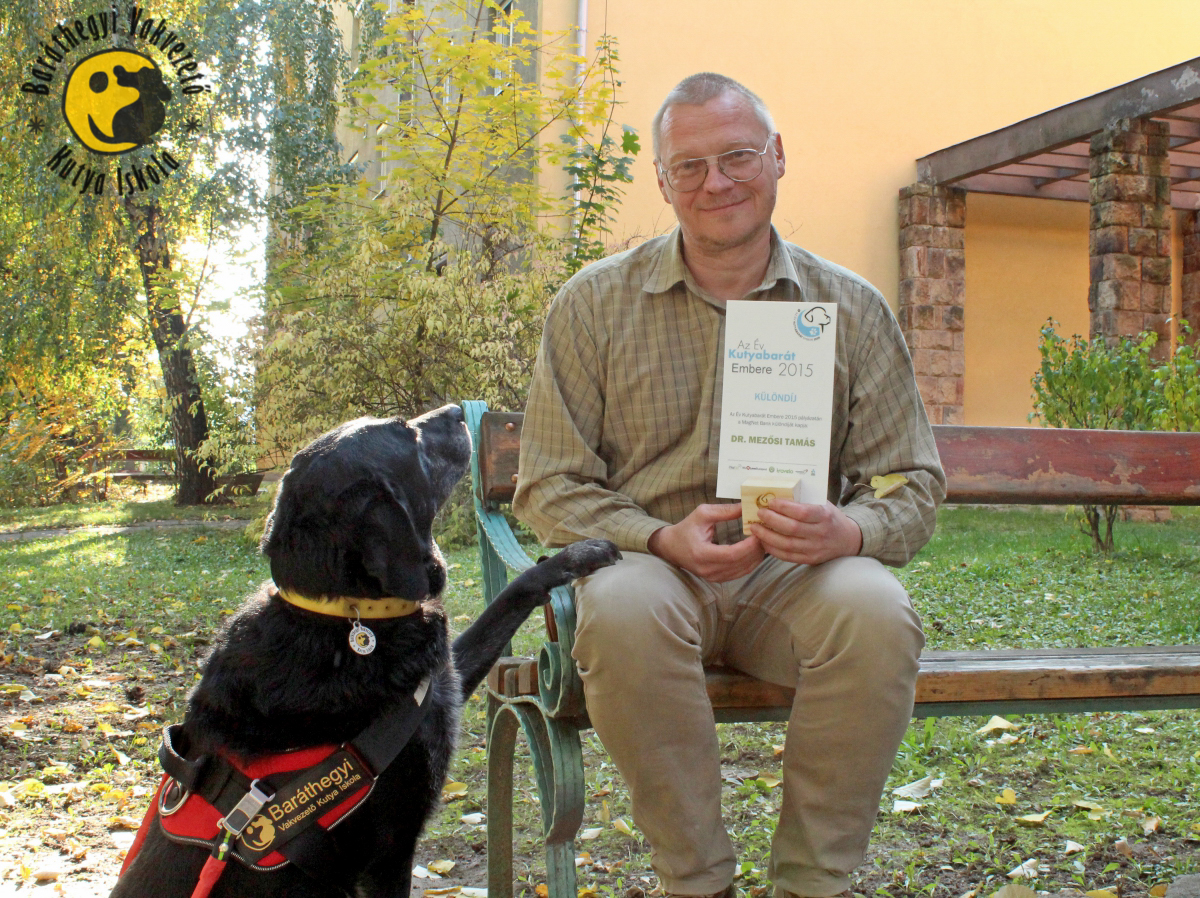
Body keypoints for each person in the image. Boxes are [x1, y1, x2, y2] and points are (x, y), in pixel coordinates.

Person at [513, 72, 946, 898]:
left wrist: (847, 532)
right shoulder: (593, 305)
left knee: (877, 611)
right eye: (691, 166)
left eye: (739, 156)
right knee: (622, 608)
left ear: (778, 157)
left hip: (795, 575)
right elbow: (549, 485)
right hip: (656, 567)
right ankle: (698, 884)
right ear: (662, 180)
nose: (717, 183)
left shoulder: (847, 308)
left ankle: (809, 887)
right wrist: (655, 537)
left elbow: (912, 482)